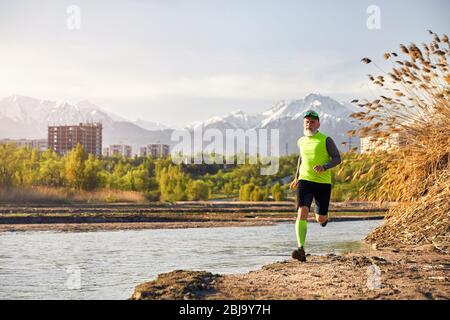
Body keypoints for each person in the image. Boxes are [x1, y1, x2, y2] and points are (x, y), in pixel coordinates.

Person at [289, 110, 342, 262]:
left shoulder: (326, 139)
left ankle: (324, 219)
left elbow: (337, 158)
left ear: (318, 123)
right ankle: (301, 249)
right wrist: (296, 176)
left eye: (312, 122)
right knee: (302, 212)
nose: (309, 124)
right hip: (305, 180)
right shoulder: (301, 141)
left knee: (320, 218)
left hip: (322, 183)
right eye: (306, 121)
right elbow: (301, 158)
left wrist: (324, 167)